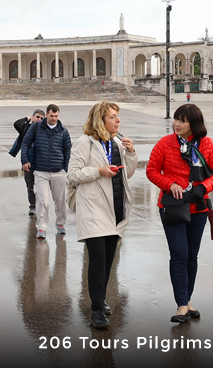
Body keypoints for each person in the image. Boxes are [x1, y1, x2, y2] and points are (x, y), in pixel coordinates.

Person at [146, 104, 213, 323]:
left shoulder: (207, 145)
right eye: (176, 119)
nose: (176, 124)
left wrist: (204, 187)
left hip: (198, 206)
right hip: (172, 207)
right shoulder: (165, 143)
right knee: (179, 253)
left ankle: (187, 300)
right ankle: (181, 305)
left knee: (191, 255)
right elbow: (151, 170)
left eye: (182, 120)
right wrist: (169, 184)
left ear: (194, 124)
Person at [67, 101, 137, 329]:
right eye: (113, 117)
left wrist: (131, 152)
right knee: (97, 259)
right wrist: (98, 171)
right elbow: (73, 175)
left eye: (118, 117)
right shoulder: (83, 143)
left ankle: (101, 298)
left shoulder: (116, 143)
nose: (118, 121)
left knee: (108, 260)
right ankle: (96, 309)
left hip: (115, 207)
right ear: (101, 120)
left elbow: (128, 173)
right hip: (94, 208)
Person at [21, 104, 72, 239]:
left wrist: (64, 168)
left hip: (58, 171)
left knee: (60, 200)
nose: (54, 119)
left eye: (56, 116)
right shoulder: (36, 127)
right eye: (51, 116)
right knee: (43, 201)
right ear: (47, 115)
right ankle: (42, 227)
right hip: (41, 171)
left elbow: (67, 150)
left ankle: (60, 223)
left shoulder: (63, 131)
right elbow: (25, 142)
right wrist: (24, 160)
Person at [10, 109, 46, 216]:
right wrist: (27, 118)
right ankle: (32, 206)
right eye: (37, 117)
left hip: (41, 163)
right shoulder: (26, 128)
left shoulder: (45, 130)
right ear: (33, 117)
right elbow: (16, 124)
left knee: (41, 186)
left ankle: (41, 206)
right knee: (30, 186)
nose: (39, 119)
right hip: (28, 161)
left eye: (42, 118)